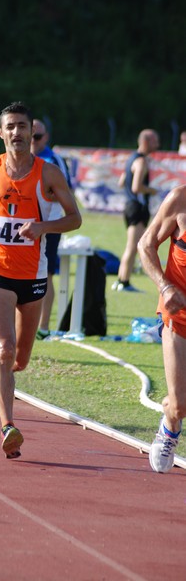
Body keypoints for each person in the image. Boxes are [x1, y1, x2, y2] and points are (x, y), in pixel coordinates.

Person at [0, 102, 81, 459]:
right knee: (3, 348)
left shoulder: (49, 174)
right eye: (10, 126)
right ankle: (8, 427)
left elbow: (75, 219)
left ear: (31, 132)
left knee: (20, 359)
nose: (17, 132)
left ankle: (3, 382)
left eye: (22, 126)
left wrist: (43, 227)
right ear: (1, 132)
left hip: (33, 274)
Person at [138, 184, 186, 473]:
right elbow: (146, 244)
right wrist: (164, 286)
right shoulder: (180, 199)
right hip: (179, 317)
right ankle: (170, 425)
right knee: (180, 406)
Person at [31, 118, 73, 339]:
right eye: (31, 135)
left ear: (45, 137)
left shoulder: (52, 160)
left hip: (48, 226)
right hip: (23, 225)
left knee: (44, 275)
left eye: (38, 137)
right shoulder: (20, 159)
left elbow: (65, 193)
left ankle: (43, 327)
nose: (33, 141)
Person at [111, 129, 160, 292]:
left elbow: (121, 182)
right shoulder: (141, 162)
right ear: (146, 141)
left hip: (129, 205)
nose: (158, 144)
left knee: (132, 245)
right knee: (133, 246)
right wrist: (152, 191)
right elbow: (136, 186)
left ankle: (121, 280)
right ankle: (123, 281)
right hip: (137, 207)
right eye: (155, 141)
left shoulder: (131, 158)